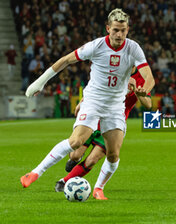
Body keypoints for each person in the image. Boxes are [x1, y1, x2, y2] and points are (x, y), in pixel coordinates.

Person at [20, 9, 155, 194]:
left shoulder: (133, 48)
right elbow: (66, 60)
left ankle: (99, 189)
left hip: (116, 106)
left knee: (113, 154)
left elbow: (149, 77)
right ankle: (35, 173)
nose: (119, 34)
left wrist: (143, 89)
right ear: (108, 28)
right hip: (93, 100)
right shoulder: (96, 46)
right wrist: (40, 82)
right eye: (115, 30)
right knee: (76, 142)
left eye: (123, 30)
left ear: (128, 30)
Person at [55, 68, 152, 199]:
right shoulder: (113, 68)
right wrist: (82, 101)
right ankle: (74, 159)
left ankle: (64, 181)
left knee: (91, 161)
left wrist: (137, 91)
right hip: (94, 118)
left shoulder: (142, 78)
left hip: (113, 125)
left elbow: (148, 104)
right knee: (75, 155)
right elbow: (95, 87)